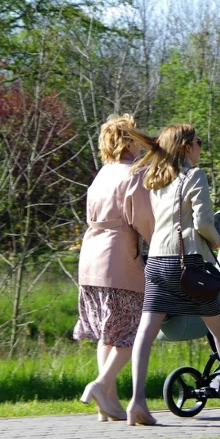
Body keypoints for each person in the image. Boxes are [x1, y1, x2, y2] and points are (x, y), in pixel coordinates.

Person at [121, 123, 220, 426]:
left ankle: (137, 401)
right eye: (199, 142)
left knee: (146, 332)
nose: (201, 147)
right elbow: (203, 222)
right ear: (187, 147)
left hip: (157, 262)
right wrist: (216, 241)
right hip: (188, 264)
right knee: (219, 329)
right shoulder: (195, 176)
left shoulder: (156, 179)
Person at [75, 114, 155, 421]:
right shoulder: (132, 175)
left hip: (91, 258)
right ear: (129, 140)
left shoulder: (103, 174)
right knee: (132, 331)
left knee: (107, 333)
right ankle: (101, 384)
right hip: (119, 260)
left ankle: (107, 402)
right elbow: (144, 221)